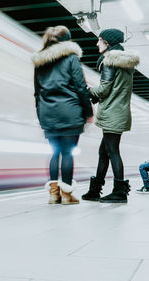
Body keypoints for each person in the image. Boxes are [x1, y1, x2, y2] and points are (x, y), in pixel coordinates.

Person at [32, 26, 93, 205]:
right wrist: (88, 112)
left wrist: (41, 115)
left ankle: (53, 195)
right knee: (67, 153)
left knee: (55, 152)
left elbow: (37, 93)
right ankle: (67, 195)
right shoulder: (71, 58)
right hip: (70, 112)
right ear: (67, 41)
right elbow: (80, 87)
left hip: (47, 114)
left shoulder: (39, 61)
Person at [81, 28, 139, 203]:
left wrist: (87, 90)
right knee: (104, 151)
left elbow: (104, 89)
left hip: (113, 112)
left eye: (99, 40)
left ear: (108, 42)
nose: (96, 43)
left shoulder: (110, 62)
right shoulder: (124, 63)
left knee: (112, 151)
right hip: (119, 111)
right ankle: (95, 190)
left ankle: (119, 192)